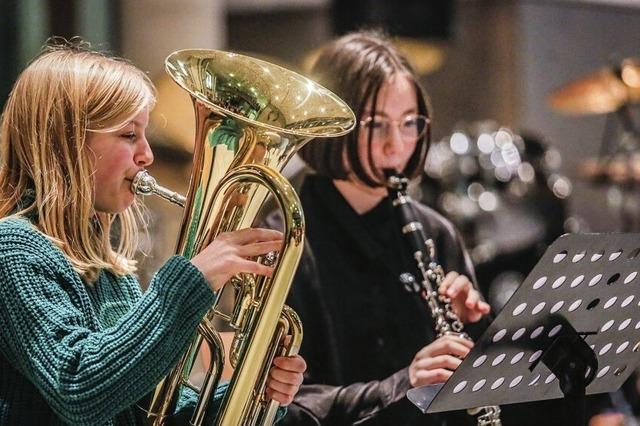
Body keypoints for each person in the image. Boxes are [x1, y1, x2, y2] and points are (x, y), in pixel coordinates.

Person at [268, 31, 624, 426]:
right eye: (376, 125)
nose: (396, 146)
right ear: (335, 123)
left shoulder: (435, 233)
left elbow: (474, 402)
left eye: (409, 124)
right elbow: (285, 408)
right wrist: (405, 385)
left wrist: (477, 331)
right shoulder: (286, 235)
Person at [0, 38, 305, 425]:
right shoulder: (14, 249)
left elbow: (146, 412)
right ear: (67, 145)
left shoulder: (110, 270)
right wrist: (191, 280)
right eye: (129, 135)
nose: (147, 155)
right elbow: (79, 388)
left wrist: (252, 391)